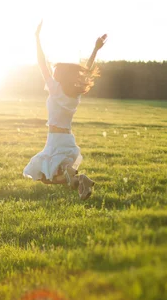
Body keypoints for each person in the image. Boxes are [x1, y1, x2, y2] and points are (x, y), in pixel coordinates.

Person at [23, 20, 107, 200]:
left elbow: (41, 62)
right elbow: (85, 73)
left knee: (46, 177)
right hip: (67, 139)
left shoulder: (55, 89)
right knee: (54, 176)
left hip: (55, 140)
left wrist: (37, 38)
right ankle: (79, 180)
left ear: (58, 77)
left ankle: (79, 179)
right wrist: (95, 49)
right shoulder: (75, 94)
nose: (52, 75)